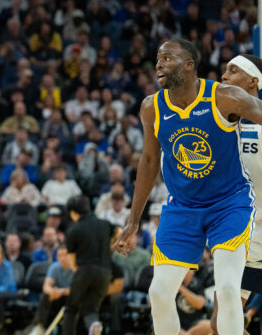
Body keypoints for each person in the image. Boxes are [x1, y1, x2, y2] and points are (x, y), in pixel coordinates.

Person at [114, 40, 262, 335]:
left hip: (229, 204)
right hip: (182, 207)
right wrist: (133, 220)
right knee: (158, 293)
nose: (159, 64)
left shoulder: (225, 97)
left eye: (167, 58)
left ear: (189, 65)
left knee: (229, 289)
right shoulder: (151, 107)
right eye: (158, 58)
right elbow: (148, 161)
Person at [212, 53, 262, 329]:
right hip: (240, 232)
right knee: (219, 323)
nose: (224, 76)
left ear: (253, 81)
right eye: (224, 70)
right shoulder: (220, 124)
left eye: (233, 70)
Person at [63, 195, 115, 335]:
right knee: (90, 309)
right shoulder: (104, 224)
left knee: (71, 309)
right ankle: (94, 325)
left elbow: (73, 262)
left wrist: (80, 281)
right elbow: (119, 232)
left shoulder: (73, 230)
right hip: (105, 273)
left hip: (84, 271)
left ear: (73, 213)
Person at [29, 246, 73, 335]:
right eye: (60, 255)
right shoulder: (54, 267)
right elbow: (46, 286)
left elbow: (78, 289)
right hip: (57, 297)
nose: (63, 258)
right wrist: (52, 292)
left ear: (71, 255)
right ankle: (39, 327)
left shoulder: (76, 268)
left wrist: (62, 291)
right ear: (57, 257)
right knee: (46, 295)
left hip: (71, 297)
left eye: (66, 254)